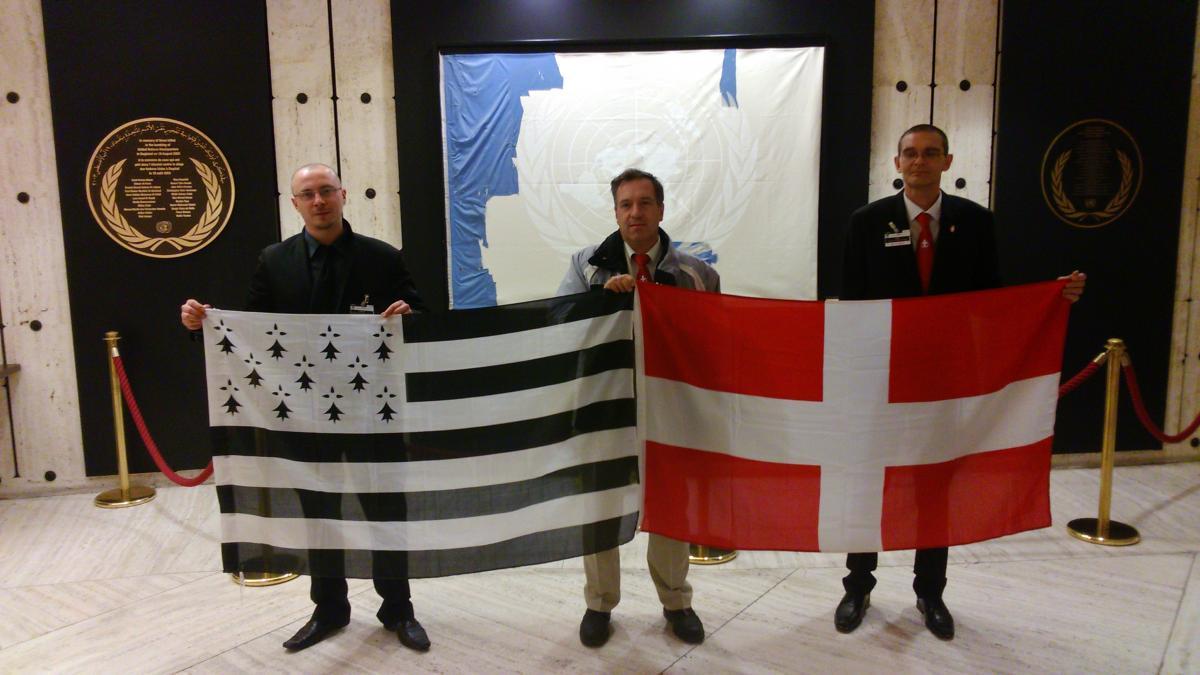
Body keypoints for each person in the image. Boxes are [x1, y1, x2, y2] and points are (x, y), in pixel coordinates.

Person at [838, 124, 1086, 640]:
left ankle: (930, 591)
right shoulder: (867, 223)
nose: (920, 161)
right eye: (910, 153)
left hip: (944, 383)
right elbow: (850, 304)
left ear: (948, 161)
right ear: (897, 161)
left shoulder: (975, 222)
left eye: (930, 153)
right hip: (881, 381)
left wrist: (1053, 297)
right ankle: (858, 585)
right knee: (870, 484)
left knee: (935, 485)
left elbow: (994, 301)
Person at [180, 163, 429, 652]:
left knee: (386, 512)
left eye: (326, 191)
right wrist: (201, 326)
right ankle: (330, 610)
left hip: (371, 412)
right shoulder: (273, 261)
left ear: (343, 194)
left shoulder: (383, 258)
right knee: (319, 513)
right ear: (294, 203)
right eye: (307, 194)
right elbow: (248, 329)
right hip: (302, 414)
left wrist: (409, 315)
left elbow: (420, 316)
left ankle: (398, 609)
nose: (319, 201)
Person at [557, 168, 719, 648]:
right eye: (626, 204)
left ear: (661, 210)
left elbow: (712, 342)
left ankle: (676, 601)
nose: (635, 213)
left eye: (645, 203)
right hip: (604, 406)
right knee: (601, 506)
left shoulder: (697, 272)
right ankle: (599, 602)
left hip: (670, 407)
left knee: (670, 506)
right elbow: (563, 329)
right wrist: (599, 303)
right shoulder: (586, 265)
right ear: (615, 211)